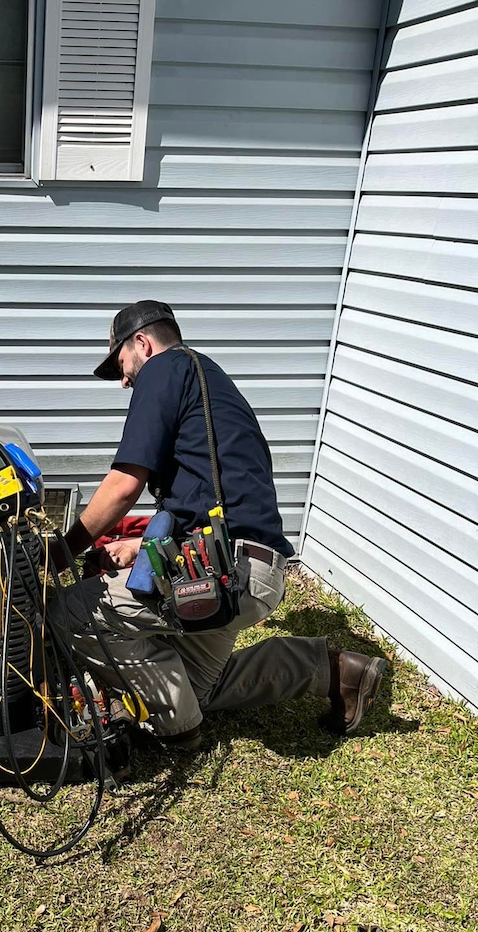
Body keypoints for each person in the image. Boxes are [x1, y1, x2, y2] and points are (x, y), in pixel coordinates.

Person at [49, 301, 386, 749]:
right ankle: (335, 671)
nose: (125, 379)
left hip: (219, 576)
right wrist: (137, 548)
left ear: (142, 344)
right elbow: (209, 495)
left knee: (66, 611)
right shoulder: (209, 379)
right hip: (251, 569)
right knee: (197, 687)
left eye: (122, 365)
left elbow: (125, 485)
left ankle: (178, 730)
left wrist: (63, 549)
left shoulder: (163, 370)